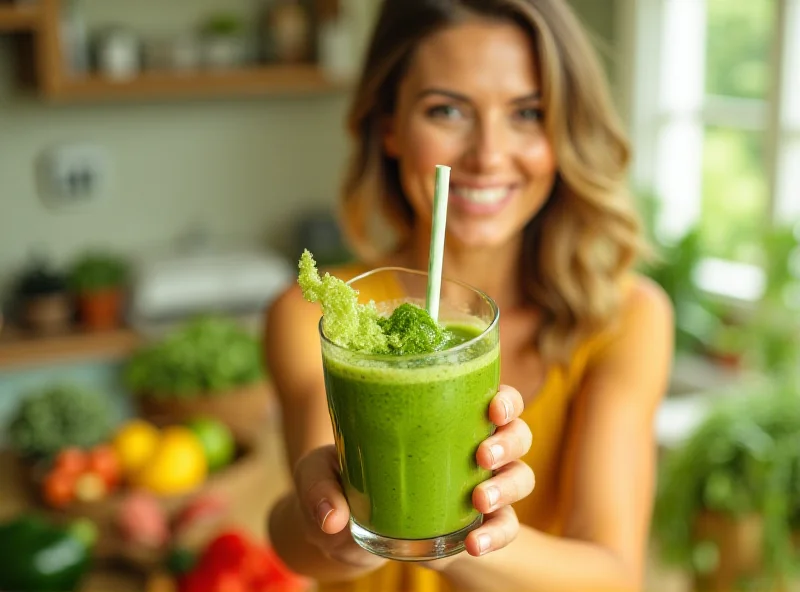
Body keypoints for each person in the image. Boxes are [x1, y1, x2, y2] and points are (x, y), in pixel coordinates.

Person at [264, 0, 673, 590]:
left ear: (563, 132)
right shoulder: (318, 315)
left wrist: (464, 537)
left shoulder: (626, 318)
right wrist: (338, 530)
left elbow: (614, 577)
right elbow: (296, 538)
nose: (486, 156)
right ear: (390, 128)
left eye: (527, 113)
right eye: (447, 110)